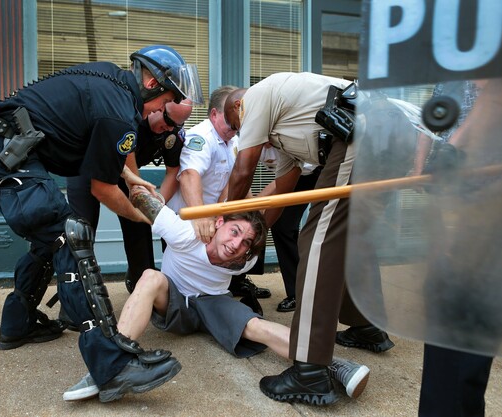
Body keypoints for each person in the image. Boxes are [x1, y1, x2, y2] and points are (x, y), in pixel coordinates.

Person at [0, 44, 203, 402]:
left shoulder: (111, 83)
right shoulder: (120, 111)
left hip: (0, 149)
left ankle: (18, 324)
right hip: (6, 155)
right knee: (69, 237)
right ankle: (112, 365)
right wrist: (140, 216)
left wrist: (132, 178)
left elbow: (94, 143)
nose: (163, 109)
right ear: (153, 82)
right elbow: (102, 189)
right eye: (169, 99)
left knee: (50, 238)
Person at [63, 185, 371, 404]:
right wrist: (138, 184)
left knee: (256, 326)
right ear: (218, 222)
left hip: (213, 303)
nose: (237, 245)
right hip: (174, 301)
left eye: (246, 243)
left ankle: (330, 364)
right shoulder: (184, 231)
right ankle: (111, 363)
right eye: (235, 232)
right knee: (150, 277)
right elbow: (141, 197)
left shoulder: (244, 259)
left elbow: (260, 216)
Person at [223, 73, 396, 405]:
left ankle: (310, 370)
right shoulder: (286, 135)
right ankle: (366, 326)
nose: (240, 134)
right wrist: (252, 238)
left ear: (239, 106)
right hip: (371, 136)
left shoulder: (257, 97)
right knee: (347, 241)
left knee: (316, 240)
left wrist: (228, 219)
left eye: (237, 126)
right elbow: (283, 191)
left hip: (361, 130)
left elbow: (243, 171)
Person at [416, 77, 502, 416]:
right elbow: (494, 94)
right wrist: (450, 152)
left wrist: (457, 149)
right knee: (450, 308)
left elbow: (501, 91)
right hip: (474, 207)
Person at [64, 99, 193, 297]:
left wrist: (158, 200)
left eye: (177, 124)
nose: (168, 128)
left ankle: (143, 284)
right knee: (82, 230)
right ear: (157, 108)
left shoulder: (171, 133)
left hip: (126, 175)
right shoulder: (129, 118)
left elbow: (173, 171)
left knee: (140, 222)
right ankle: (75, 299)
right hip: (87, 170)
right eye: (167, 120)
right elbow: (126, 164)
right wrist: (139, 192)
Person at [165, 85, 271, 303]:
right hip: (188, 220)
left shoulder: (234, 140)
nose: (236, 125)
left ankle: (237, 283)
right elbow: (189, 175)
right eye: (231, 119)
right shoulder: (200, 137)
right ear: (214, 114)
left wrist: (252, 213)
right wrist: (200, 214)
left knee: (250, 232)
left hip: (215, 219)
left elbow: (236, 181)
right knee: (183, 285)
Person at [255, 143, 322, 312]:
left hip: (322, 170)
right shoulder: (250, 140)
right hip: (297, 174)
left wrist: (257, 204)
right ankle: (298, 294)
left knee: (323, 230)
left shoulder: (286, 136)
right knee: (282, 227)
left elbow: (289, 177)